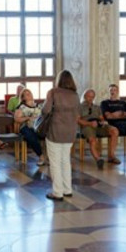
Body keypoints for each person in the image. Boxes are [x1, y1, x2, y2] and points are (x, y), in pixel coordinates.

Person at [42, 70, 80, 201]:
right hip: (70, 131)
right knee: (65, 161)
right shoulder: (75, 95)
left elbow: (45, 110)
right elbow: (78, 114)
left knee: (55, 163)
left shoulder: (53, 92)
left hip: (55, 130)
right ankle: (67, 189)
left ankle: (57, 192)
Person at [78, 88, 120, 168]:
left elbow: (101, 118)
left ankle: (111, 156)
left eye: (92, 97)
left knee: (114, 130)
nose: (91, 99)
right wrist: (90, 123)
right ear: (85, 96)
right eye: (89, 97)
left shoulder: (97, 107)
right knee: (92, 140)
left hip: (98, 125)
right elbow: (78, 120)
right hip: (87, 125)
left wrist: (102, 122)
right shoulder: (79, 107)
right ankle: (98, 159)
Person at [13, 88, 45, 165]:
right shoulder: (22, 107)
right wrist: (28, 118)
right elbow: (17, 119)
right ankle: (41, 156)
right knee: (30, 135)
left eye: (30, 93)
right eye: (27, 94)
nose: (29, 95)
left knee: (50, 132)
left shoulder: (39, 106)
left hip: (39, 126)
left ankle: (51, 156)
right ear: (23, 98)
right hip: (26, 126)